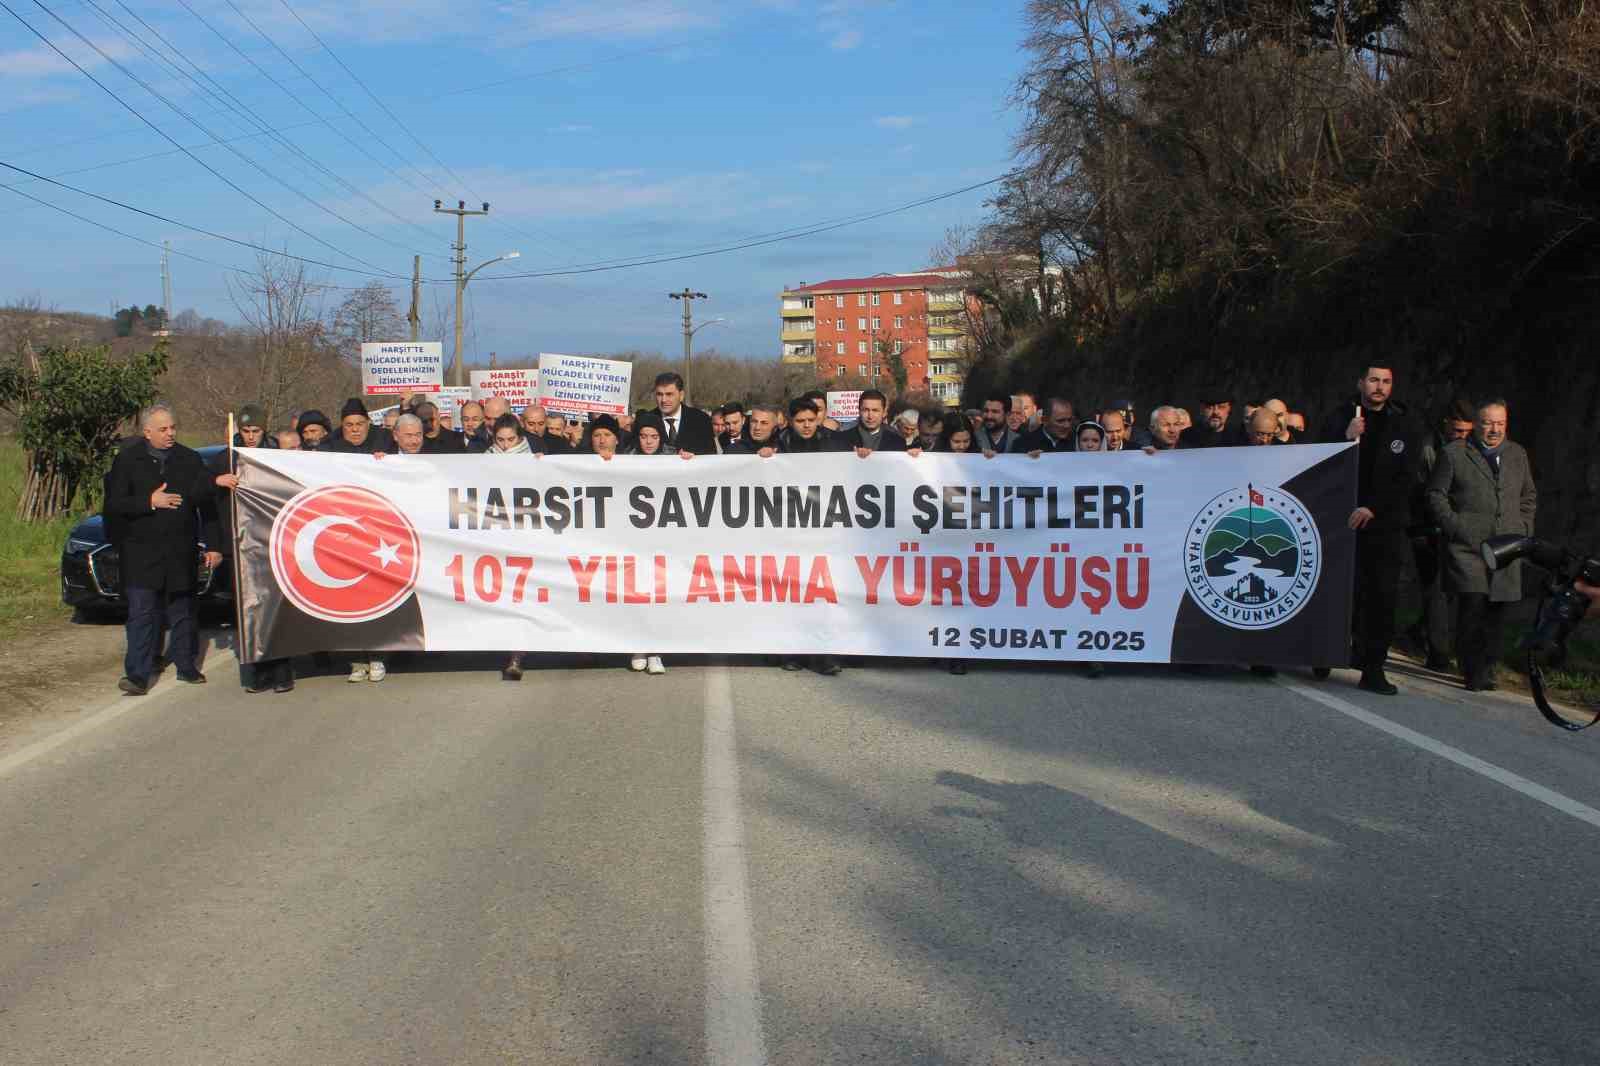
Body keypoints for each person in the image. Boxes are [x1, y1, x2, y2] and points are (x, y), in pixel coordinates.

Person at [103, 404, 232, 695]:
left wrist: (214, 546)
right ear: (147, 432)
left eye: (173, 427)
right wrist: (150, 501)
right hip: (141, 553)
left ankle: (186, 665)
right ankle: (137, 674)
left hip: (179, 550)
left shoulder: (189, 459)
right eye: (163, 429)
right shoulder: (127, 461)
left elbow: (205, 503)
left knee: (183, 611)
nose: (171, 433)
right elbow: (115, 505)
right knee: (142, 614)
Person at [1314, 362, 1420, 695]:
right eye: (1374, 380)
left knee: (1380, 597)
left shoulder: (1404, 423)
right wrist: (1344, 439)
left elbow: (1407, 477)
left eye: (1386, 381)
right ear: (1361, 382)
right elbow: (1317, 461)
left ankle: (1372, 667)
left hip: (1383, 524)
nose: (1380, 387)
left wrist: (1373, 506)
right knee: (1337, 590)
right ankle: (1324, 652)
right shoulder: (1339, 417)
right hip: (1341, 521)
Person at [1426, 398, 1537, 692]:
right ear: (1477, 424)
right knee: (1473, 605)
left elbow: (1528, 497)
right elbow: (1436, 495)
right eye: (1488, 423)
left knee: (1496, 610)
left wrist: (1524, 529)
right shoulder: (1454, 454)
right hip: (1468, 547)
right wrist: (1455, 526)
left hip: (1508, 546)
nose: (1494, 430)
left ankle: (1488, 666)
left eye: (1500, 423)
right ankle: (1472, 670)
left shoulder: (1517, 454)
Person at [1411, 397, 1477, 671]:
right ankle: (1438, 654)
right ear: (1446, 424)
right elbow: (1421, 492)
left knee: (1450, 589)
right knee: (1436, 588)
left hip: (1456, 526)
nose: (1462, 437)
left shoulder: (1469, 448)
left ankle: (1418, 632)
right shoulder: (1427, 449)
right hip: (1426, 526)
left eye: (1467, 432)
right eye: (1458, 431)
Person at [638, 372, 715, 454]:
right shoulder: (644, 420)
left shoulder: (701, 420)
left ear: (681, 395)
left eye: (669, 394)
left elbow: (710, 455)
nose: (664, 400)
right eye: (660, 394)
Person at [842, 389, 909, 453]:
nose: (870, 416)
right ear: (859, 411)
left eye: (875, 410)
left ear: (884, 413)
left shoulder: (898, 441)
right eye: (866, 410)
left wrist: (914, 456)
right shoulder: (842, 439)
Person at [325, 398, 391, 455]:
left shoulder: (386, 439)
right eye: (349, 425)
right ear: (342, 425)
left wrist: (387, 458)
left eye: (360, 424)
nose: (355, 429)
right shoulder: (329, 443)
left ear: (368, 423)